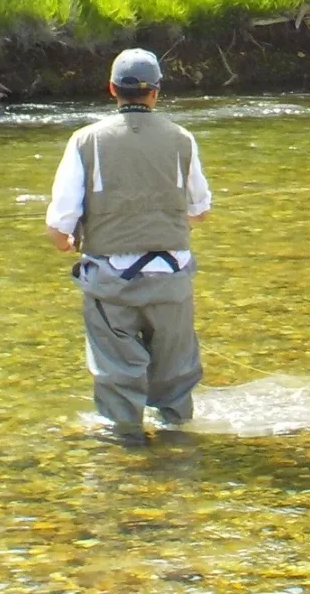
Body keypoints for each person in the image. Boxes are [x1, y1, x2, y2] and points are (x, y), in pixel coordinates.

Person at [46, 48, 212, 444]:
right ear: (156, 93)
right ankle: (179, 455)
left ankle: (124, 458)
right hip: (171, 279)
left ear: (111, 89)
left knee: (118, 377)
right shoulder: (182, 138)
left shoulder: (84, 140)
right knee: (175, 378)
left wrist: (68, 242)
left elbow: (58, 228)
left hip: (111, 282)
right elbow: (200, 210)